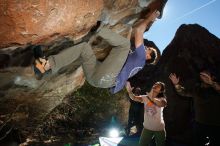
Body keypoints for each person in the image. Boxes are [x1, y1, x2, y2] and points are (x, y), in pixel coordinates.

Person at [33, 10, 160, 94]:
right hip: (97, 79)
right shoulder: (134, 61)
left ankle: (99, 28)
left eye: (147, 49)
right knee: (84, 49)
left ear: (148, 56)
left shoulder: (141, 59)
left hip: (107, 78)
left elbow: (138, 30)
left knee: (125, 44)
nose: (145, 48)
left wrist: (151, 18)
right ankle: (45, 65)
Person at [169, 70, 220, 146]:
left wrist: (212, 83)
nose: (204, 77)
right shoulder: (197, 89)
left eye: (206, 75)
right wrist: (176, 84)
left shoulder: (217, 88)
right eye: (202, 75)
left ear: (212, 76)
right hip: (200, 124)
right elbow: (183, 92)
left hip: (216, 125)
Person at [126, 81, 167, 146]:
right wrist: (129, 92)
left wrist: (152, 98)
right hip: (147, 128)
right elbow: (134, 98)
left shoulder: (162, 99)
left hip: (159, 129)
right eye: (155, 84)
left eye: (158, 86)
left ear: (160, 91)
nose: (156, 85)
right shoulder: (145, 97)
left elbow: (162, 104)